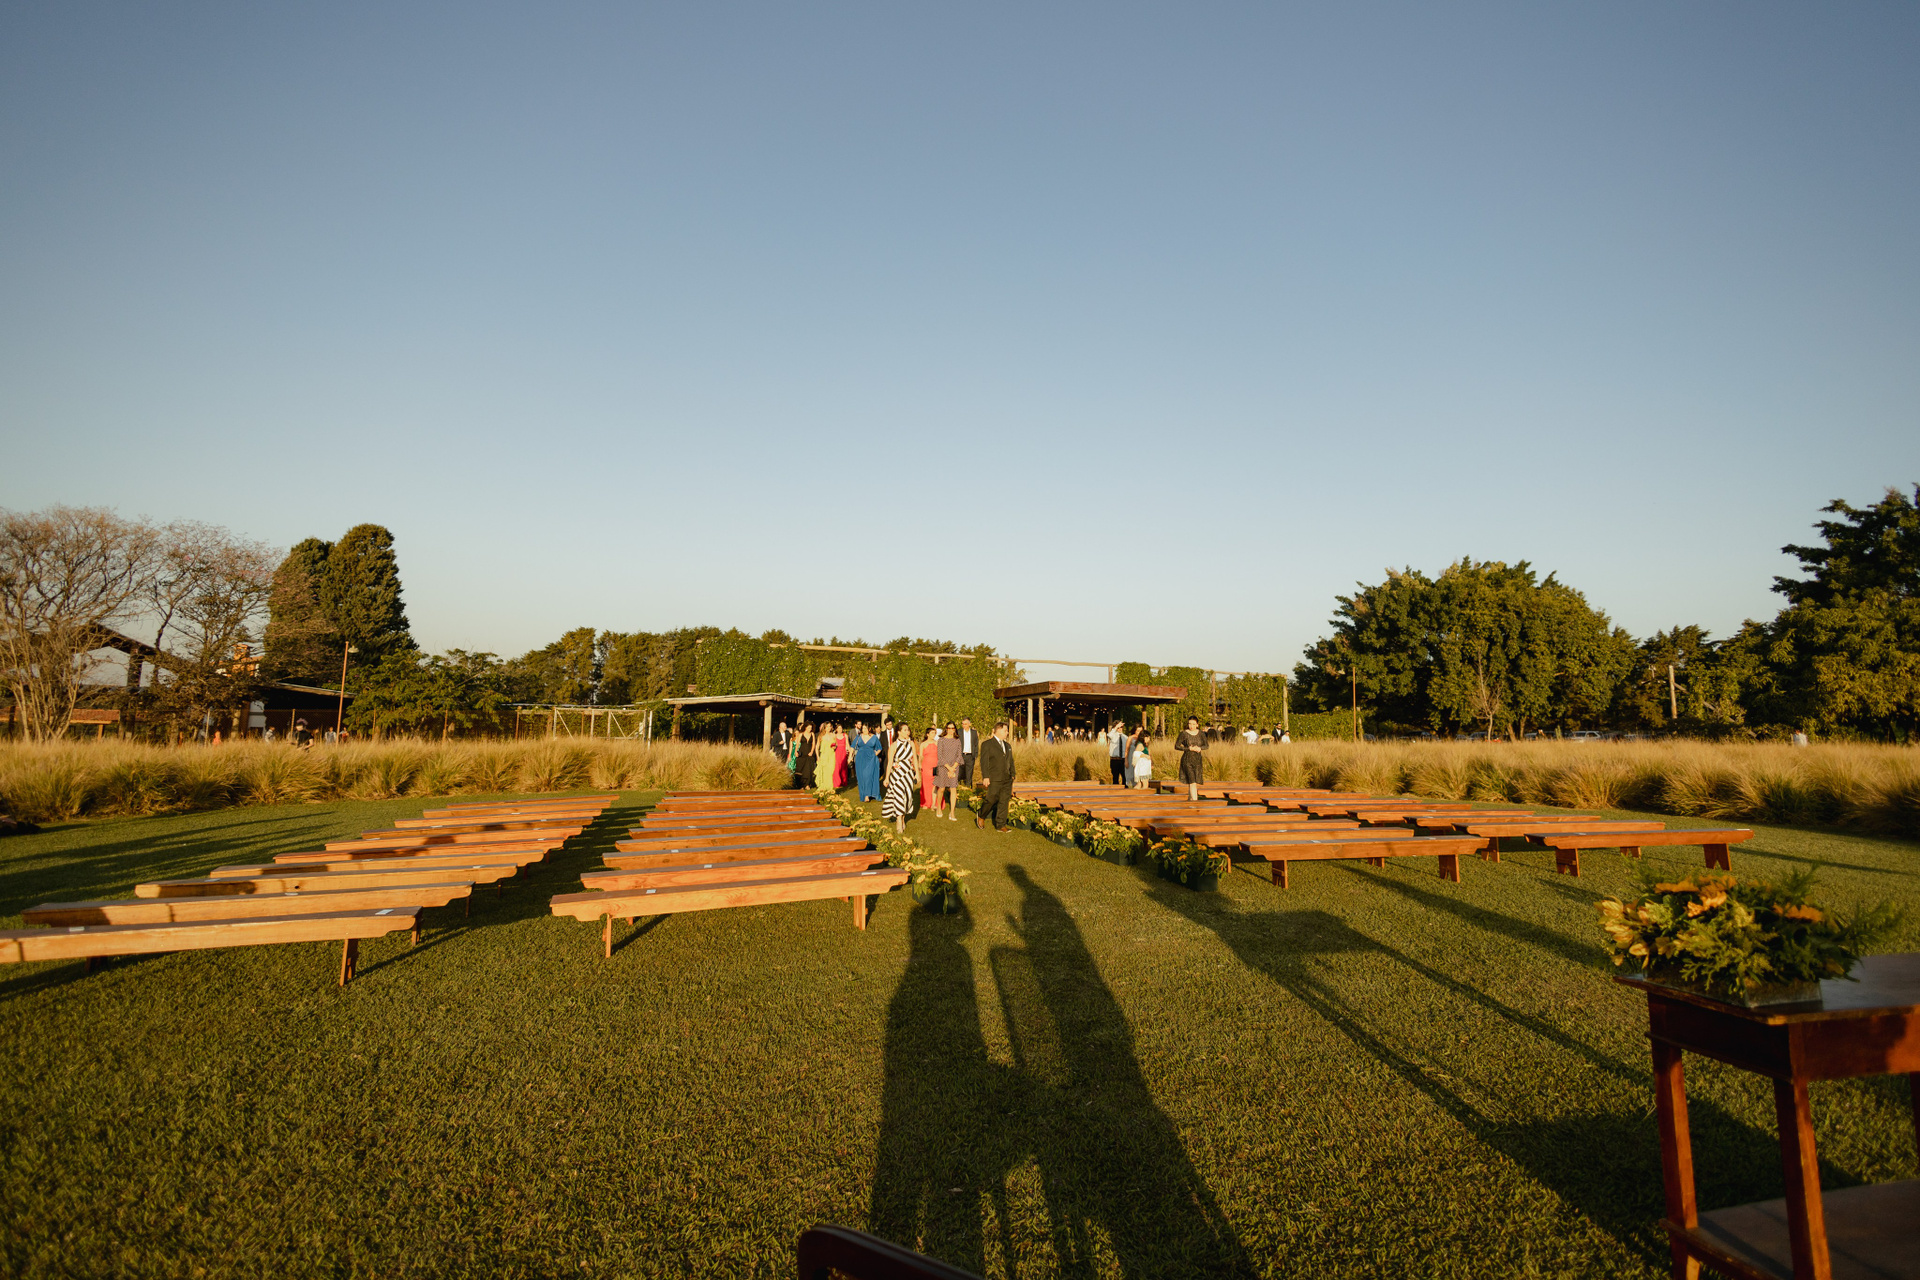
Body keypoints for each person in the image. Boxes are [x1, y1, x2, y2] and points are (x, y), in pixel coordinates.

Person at [975, 719, 1015, 831]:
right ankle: (981, 814)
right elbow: (984, 762)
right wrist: (985, 777)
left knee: (1004, 801)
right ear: (998, 730)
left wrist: (1013, 774)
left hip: (1007, 778)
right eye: (1005, 730)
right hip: (994, 777)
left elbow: (1011, 761)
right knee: (991, 799)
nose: (1007, 733)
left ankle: (1000, 825)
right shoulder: (987, 744)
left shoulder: (1007, 745)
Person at [882, 725, 920, 831]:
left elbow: (915, 759)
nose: (908, 732)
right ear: (899, 732)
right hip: (897, 774)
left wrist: (917, 773)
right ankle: (899, 820)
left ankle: (903, 818)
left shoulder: (911, 744)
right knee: (898, 796)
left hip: (908, 774)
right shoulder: (894, 745)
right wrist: (886, 778)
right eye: (905, 730)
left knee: (907, 797)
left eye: (908, 730)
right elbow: (890, 763)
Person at [934, 722, 962, 820]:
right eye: (949, 728)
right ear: (946, 729)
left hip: (954, 767)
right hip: (943, 767)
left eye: (953, 728)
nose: (951, 730)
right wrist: (949, 768)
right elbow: (940, 756)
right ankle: (938, 808)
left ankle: (952, 812)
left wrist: (953, 768)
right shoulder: (941, 740)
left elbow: (959, 755)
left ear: (955, 729)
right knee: (941, 788)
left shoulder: (957, 740)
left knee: (953, 788)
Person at [1176, 715, 1207, 801]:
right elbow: (1177, 746)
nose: (1191, 726)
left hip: (1197, 760)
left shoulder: (1201, 733)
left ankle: (1190, 801)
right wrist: (1188, 748)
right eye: (1190, 724)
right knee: (1192, 782)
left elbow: (1206, 745)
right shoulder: (1184, 733)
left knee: (1193, 782)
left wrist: (1200, 748)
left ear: (1197, 724)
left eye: (1193, 724)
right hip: (1187, 760)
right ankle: (1195, 802)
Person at [852, 724, 883, 801]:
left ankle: (867, 795)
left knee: (868, 775)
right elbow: (852, 746)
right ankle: (864, 793)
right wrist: (850, 756)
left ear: (869, 729)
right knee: (862, 777)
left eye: (865, 728)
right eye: (863, 728)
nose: (864, 730)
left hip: (871, 759)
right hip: (860, 759)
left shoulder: (874, 737)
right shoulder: (859, 737)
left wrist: (875, 754)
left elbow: (879, 748)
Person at [918, 725, 939, 812]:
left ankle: (934, 804)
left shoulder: (937, 743)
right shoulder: (923, 744)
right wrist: (919, 764)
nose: (934, 734)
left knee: (935, 784)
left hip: (935, 766)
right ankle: (926, 803)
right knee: (926, 785)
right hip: (926, 766)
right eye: (932, 733)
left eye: (934, 733)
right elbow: (920, 756)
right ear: (927, 734)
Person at [815, 724, 839, 791]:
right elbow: (817, 747)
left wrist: (835, 747)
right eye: (827, 726)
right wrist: (818, 756)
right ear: (824, 728)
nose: (828, 728)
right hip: (824, 756)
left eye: (830, 726)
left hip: (831, 755)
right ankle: (823, 787)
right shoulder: (821, 736)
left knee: (831, 771)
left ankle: (829, 787)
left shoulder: (833, 735)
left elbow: (836, 744)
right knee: (824, 771)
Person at [957, 717, 978, 786]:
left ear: (969, 724)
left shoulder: (974, 733)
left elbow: (976, 744)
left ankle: (969, 789)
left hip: (970, 756)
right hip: (961, 755)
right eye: (963, 724)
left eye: (965, 724)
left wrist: (975, 755)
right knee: (959, 774)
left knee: (969, 775)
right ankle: (959, 789)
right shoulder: (959, 732)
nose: (964, 725)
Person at [832, 725, 851, 789]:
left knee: (843, 767)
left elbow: (847, 744)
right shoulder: (834, 735)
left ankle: (844, 781)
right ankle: (837, 782)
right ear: (836, 729)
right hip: (837, 752)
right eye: (838, 728)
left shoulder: (845, 735)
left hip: (843, 752)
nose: (840, 729)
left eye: (841, 728)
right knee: (837, 767)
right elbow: (833, 744)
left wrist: (850, 753)